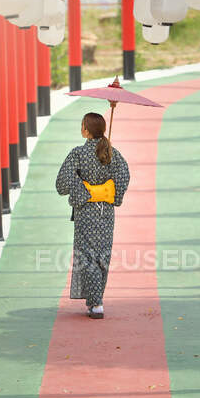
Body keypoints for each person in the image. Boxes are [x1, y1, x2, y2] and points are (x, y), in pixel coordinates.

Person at [56, 112, 130, 319]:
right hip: (106, 211)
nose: (81, 129)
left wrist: (82, 191)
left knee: (87, 254)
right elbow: (124, 174)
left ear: (87, 131)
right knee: (102, 255)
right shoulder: (111, 153)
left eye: (82, 126)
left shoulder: (78, 154)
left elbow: (62, 184)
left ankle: (96, 303)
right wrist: (113, 195)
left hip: (86, 212)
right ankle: (97, 299)